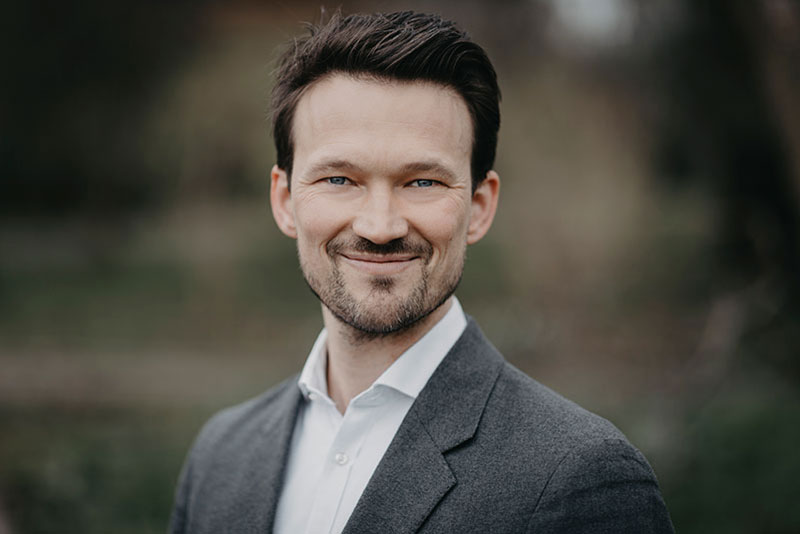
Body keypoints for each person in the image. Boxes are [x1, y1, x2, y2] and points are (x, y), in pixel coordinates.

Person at [169, 11, 674, 534]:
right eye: (339, 179)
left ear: (479, 206)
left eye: (423, 182)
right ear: (283, 200)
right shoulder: (219, 457)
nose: (379, 226)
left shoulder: (583, 477)